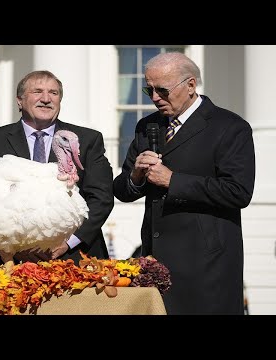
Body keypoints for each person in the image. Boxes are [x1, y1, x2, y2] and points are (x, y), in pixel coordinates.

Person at [113, 52, 255, 315]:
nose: (155, 98)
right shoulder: (147, 126)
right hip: (155, 262)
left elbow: (239, 192)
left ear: (190, 85)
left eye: (162, 90)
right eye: (149, 89)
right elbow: (122, 189)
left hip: (207, 266)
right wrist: (136, 177)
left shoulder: (229, 126)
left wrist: (173, 181)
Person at [0, 70, 114, 264]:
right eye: (37, 92)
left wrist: (67, 242)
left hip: (75, 257)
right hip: (9, 260)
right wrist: (13, 247)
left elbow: (101, 198)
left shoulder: (86, 140)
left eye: (53, 93)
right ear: (19, 101)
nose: (46, 99)